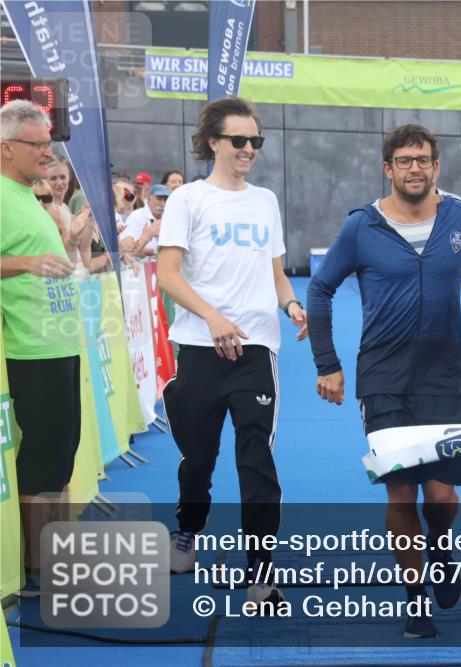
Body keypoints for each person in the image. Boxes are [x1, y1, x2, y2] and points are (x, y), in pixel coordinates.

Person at [309, 124, 461, 639]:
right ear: (387, 168)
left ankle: (441, 547)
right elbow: (320, 290)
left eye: (424, 160)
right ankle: (415, 598)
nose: (415, 168)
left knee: (443, 496)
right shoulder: (362, 227)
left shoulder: (459, 217)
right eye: (405, 160)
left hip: (444, 379)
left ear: (437, 166)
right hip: (382, 381)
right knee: (402, 497)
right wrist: (327, 363)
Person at [157, 96, 307, 610]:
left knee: (256, 460)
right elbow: (168, 275)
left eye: (255, 142)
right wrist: (214, 317)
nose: (248, 150)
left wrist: (290, 303)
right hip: (200, 349)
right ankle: (188, 530)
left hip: (256, 350)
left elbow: (276, 269)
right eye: (239, 141)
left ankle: (261, 572)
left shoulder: (265, 200)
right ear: (214, 143)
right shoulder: (188, 200)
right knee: (198, 460)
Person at [0, 100, 82, 593]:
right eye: (39, 147)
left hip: (60, 340)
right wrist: (26, 264)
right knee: (43, 457)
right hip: (31, 345)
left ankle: (61, 551)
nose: (48, 158)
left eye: (49, 148)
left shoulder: (27, 195)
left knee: (63, 450)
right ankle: (40, 567)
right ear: (7, 148)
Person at [121, 183, 169, 258]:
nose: (162, 204)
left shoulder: (169, 217)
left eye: (166, 199)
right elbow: (128, 250)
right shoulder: (137, 216)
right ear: (149, 198)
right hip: (140, 266)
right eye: (159, 199)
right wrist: (155, 251)